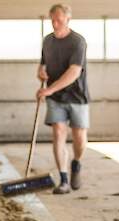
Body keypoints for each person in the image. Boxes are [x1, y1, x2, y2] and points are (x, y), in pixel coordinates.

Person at [36, 4, 90, 194]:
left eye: (59, 19)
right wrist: (41, 73)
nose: (55, 23)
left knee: (79, 138)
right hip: (56, 98)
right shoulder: (47, 41)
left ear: (68, 19)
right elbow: (42, 66)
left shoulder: (78, 42)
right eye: (52, 19)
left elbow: (74, 72)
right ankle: (64, 179)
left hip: (77, 96)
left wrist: (49, 90)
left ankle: (76, 163)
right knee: (59, 132)